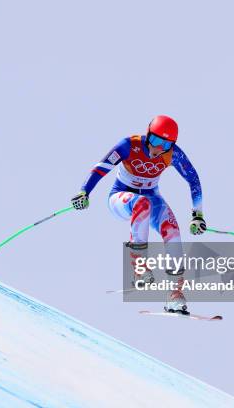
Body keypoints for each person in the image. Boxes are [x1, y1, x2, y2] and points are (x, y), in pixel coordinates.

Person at [71, 115, 206, 314]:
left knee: (173, 230)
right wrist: (84, 191)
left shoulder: (173, 155)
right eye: (155, 140)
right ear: (148, 134)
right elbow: (102, 167)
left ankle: (175, 295)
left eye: (166, 144)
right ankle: (139, 268)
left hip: (152, 198)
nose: (158, 148)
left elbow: (193, 180)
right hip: (121, 198)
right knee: (141, 203)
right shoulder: (129, 145)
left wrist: (197, 215)